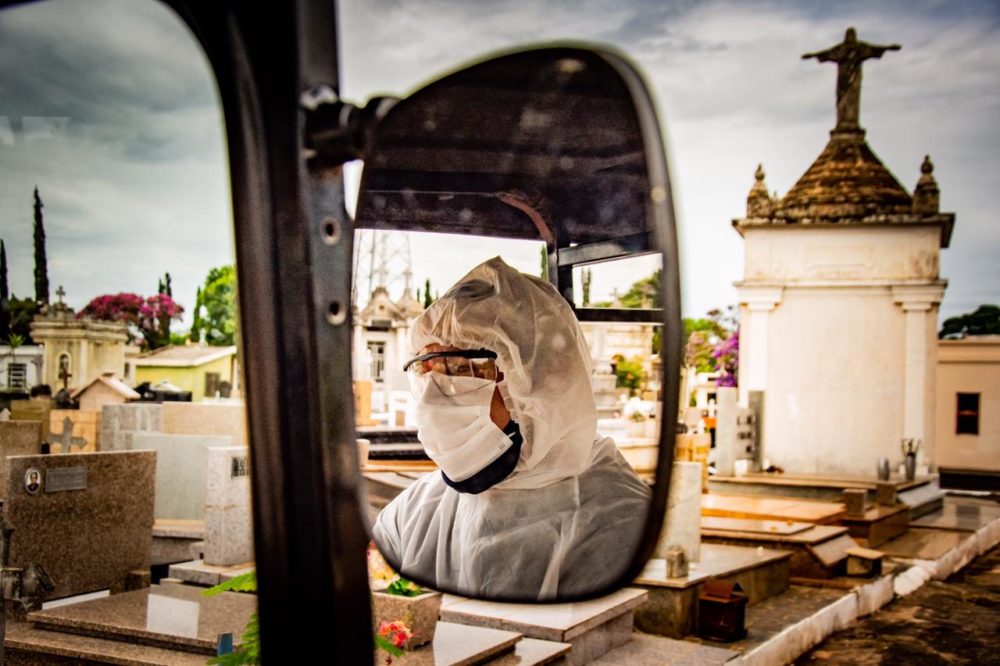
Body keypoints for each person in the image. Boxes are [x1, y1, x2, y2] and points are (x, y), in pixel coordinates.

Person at [373, 257, 651, 600]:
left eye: (460, 369)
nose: (432, 398)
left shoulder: (624, 524)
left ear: (545, 381)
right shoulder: (414, 512)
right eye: (425, 369)